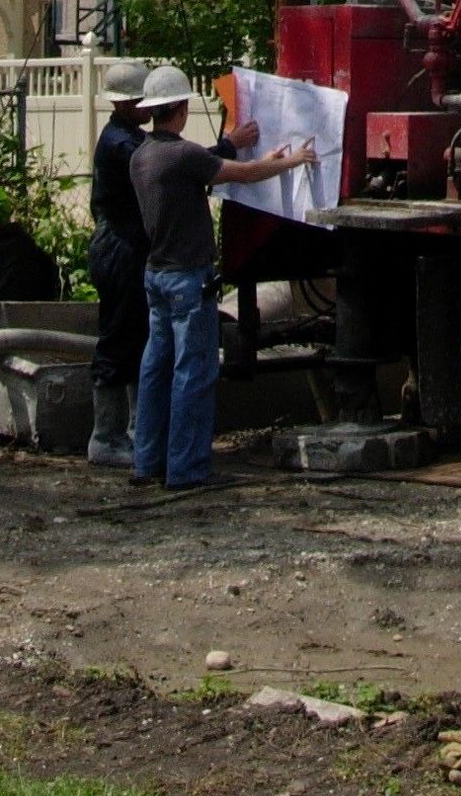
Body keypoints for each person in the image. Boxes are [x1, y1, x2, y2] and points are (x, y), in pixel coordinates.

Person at [128, 62, 317, 491]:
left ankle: (147, 463)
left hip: (155, 276)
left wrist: (247, 151)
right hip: (187, 280)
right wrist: (294, 161)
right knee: (192, 373)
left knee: (156, 370)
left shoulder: (143, 157)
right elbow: (242, 175)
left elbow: (208, 166)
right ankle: (187, 470)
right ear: (180, 109)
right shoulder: (183, 155)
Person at [84, 58, 151, 467]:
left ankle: (134, 431)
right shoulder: (122, 144)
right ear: (128, 103)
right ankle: (106, 437)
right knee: (118, 338)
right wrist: (225, 151)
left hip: (129, 247)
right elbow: (169, 163)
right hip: (118, 248)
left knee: (139, 337)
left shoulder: (128, 136)